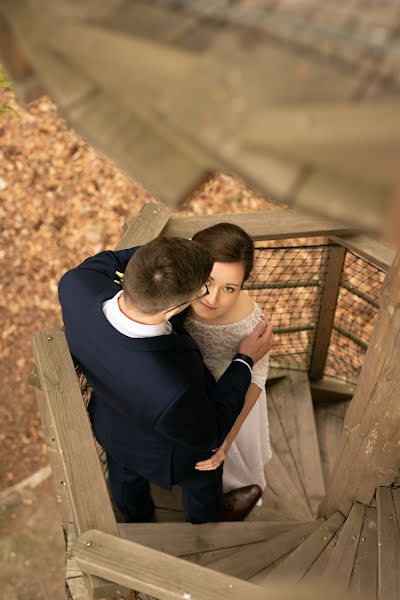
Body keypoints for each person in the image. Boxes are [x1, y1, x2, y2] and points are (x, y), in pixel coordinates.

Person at [58, 236, 273, 524]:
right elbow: (212, 429)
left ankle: (136, 520)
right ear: (172, 310)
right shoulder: (173, 387)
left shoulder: (76, 285)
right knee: (203, 484)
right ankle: (206, 523)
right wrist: (244, 361)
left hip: (112, 428)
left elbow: (116, 260)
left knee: (124, 480)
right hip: (172, 455)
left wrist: (177, 257)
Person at [185, 223, 271, 499]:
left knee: (227, 459)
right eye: (206, 282)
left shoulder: (251, 322)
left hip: (232, 398)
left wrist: (227, 438)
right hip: (186, 392)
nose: (212, 299)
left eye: (229, 289)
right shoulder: (172, 294)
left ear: (243, 285)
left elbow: (257, 376)